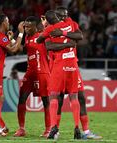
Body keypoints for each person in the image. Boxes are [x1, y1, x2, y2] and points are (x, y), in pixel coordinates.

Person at [50, 6, 102, 140]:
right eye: (61, 16)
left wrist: (63, 33)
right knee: (59, 99)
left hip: (73, 66)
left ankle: (85, 131)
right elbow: (50, 45)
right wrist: (68, 43)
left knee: (81, 98)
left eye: (65, 15)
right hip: (59, 65)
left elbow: (79, 35)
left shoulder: (71, 23)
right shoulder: (51, 27)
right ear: (56, 17)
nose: (64, 18)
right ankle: (55, 129)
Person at [37, 10, 81, 139]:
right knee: (74, 96)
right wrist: (67, 42)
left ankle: (53, 126)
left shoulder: (50, 28)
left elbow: (42, 42)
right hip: (72, 64)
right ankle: (77, 127)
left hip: (60, 64)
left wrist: (45, 27)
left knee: (54, 95)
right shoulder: (70, 24)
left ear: (48, 20)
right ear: (57, 17)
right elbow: (79, 36)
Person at [13, 16, 51, 138]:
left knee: (46, 101)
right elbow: (21, 49)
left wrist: (45, 24)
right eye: (25, 27)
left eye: (29, 27)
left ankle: (48, 129)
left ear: (35, 27)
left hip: (42, 72)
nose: (27, 29)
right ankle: (21, 129)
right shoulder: (28, 37)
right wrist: (16, 38)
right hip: (30, 73)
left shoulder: (42, 36)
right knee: (22, 98)